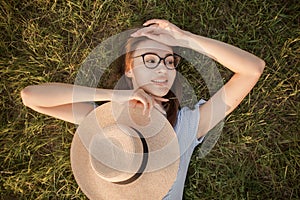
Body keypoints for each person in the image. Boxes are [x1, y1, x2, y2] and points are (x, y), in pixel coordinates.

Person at [21, 19, 265, 199]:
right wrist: (114, 96)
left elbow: (252, 69)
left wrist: (185, 39)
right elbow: (31, 97)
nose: (163, 70)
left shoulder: (187, 125)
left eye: (170, 62)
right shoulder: (107, 121)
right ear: (129, 69)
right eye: (150, 60)